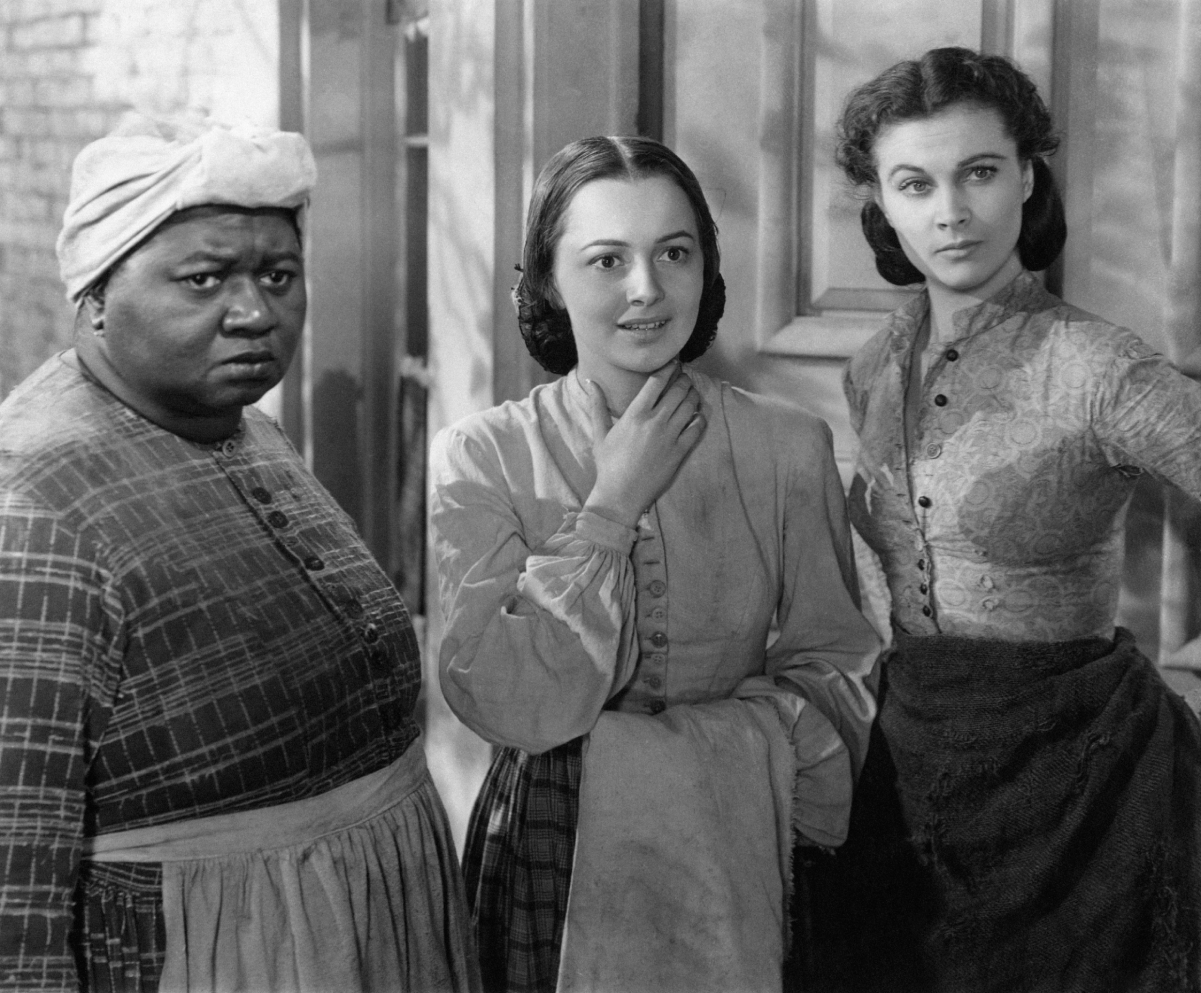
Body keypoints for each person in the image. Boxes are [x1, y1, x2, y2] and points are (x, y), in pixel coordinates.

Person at [0, 112, 479, 992]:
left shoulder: (247, 433)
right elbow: (11, 891)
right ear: (97, 294)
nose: (255, 311)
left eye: (279, 275)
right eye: (204, 278)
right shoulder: (36, 506)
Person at [427, 135, 881, 993]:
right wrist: (608, 510)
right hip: (552, 850)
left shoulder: (788, 444)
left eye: (673, 252)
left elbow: (837, 662)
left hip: (740, 837)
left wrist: (752, 750)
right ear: (548, 280)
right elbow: (501, 697)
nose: (645, 289)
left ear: (706, 268)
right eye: (605, 260)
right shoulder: (481, 455)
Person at [807, 46, 1201, 993]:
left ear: (1025, 175)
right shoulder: (870, 367)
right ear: (882, 204)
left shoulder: (1097, 367)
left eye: (978, 172)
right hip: (909, 776)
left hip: (1086, 796)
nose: (950, 211)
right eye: (915, 183)